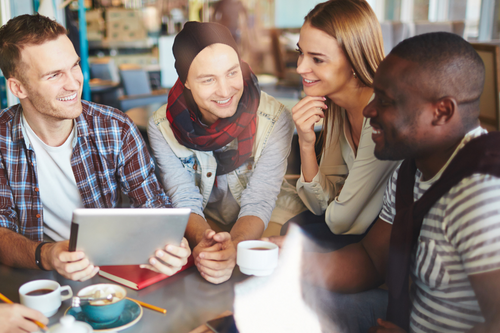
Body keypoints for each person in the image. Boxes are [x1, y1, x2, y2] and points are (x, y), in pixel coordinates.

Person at [293, 32, 500, 332]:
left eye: (387, 101)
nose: (369, 110)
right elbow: (371, 259)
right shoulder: (411, 170)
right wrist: (285, 262)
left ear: (441, 112)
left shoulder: (480, 195)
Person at [0, 14, 190, 281]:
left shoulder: (115, 128)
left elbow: (154, 205)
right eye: (54, 75)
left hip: (108, 274)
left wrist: (170, 244)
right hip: (35, 279)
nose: (74, 82)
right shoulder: (2, 140)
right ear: (18, 87)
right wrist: (47, 255)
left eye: (74, 66)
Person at [148, 21, 305, 284]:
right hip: (206, 222)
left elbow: (260, 199)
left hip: (265, 220)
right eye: (208, 79)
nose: (225, 90)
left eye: (232, 73)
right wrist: (208, 242)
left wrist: (236, 245)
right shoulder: (161, 126)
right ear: (185, 80)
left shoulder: (275, 117)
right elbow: (183, 196)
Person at [280, 0, 399, 248]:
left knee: (296, 234)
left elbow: (340, 221)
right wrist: (305, 142)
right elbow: (319, 205)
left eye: (318, 60)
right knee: (295, 227)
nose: (301, 67)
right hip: (355, 228)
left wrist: (335, 199)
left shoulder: (382, 117)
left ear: (354, 62)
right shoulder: (336, 105)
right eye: (301, 52)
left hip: (391, 240)